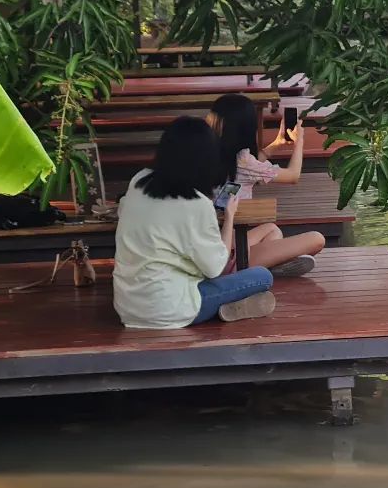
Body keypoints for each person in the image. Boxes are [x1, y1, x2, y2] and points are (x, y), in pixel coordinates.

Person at [113, 116, 275, 329]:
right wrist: (229, 218)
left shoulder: (139, 180)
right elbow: (216, 268)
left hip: (128, 307)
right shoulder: (195, 204)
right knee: (262, 276)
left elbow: (124, 210)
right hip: (171, 309)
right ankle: (224, 307)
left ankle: (228, 308)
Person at [208, 92, 325, 278]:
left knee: (272, 229)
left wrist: (276, 144)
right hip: (227, 258)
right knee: (317, 239)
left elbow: (248, 169)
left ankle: (271, 265)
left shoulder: (213, 153)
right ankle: (266, 267)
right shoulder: (243, 161)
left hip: (216, 248)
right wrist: (300, 141)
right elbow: (293, 176)